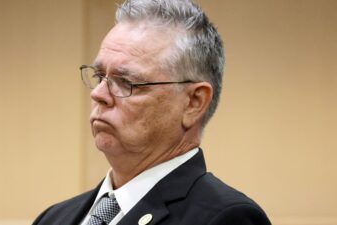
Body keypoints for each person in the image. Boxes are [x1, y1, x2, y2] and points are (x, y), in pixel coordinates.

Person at [33, 0, 271, 224]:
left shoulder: (226, 218)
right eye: (98, 76)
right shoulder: (54, 218)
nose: (98, 94)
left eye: (126, 81)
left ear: (193, 103)